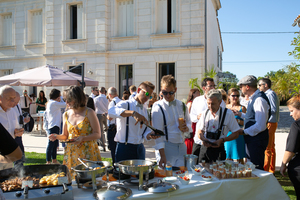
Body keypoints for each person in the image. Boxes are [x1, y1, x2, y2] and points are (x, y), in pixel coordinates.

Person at [49, 86, 101, 179]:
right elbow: (65, 136)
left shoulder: (89, 112)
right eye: (65, 100)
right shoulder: (66, 114)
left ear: (77, 99)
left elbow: (97, 134)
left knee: (89, 181)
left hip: (88, 153)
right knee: (73, 183)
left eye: (69, 100)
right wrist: (56, 136)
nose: (66, 103)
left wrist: (83, 138)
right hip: (71, 154)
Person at [108, 81, 159, 163]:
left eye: (150, 96)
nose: (147, 98)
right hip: (124, 148)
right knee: (124, 175)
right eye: (146, 94)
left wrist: (149, 135)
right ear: (138, 90)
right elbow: (111, 112)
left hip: (140, 148)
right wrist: (132, 113)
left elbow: (145, 130)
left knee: (140, 175)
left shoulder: (144, 110)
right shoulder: (125, 104)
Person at [152, 75, 192, 168]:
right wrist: (162, 155)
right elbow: (158, 135)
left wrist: (187, 128)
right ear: (161, 90)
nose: (168, 95)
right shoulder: (158, 107)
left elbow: (189, 123)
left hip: (182, 146)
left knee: (182, 175)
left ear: (175, 90)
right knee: (166, 177)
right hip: (166, 147)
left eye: (171, 92)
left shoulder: (181, 105)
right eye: (164, 92)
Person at [235, 75, 270, 170]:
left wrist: (243, 132)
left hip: (257, 140)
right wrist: (240, 114)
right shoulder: (255, 98)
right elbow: (254, 117)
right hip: (254, 139)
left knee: (256, 168)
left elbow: (260, 125)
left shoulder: (259, 99)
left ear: (247, 86)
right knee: (252, 166)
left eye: (241, 86)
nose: (240, 89)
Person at [197, 89, 242, 162]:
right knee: (202, 171)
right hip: (204, 149)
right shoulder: (205, 113)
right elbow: (199, 131)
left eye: (213, 104)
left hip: (219, 149)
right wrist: (203, 139)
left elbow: (236, 133)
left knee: (219, 172)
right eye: (208, 103)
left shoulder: (228, 114)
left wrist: (222, 140)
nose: (210, 106)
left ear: (220, 102)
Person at [190, 78, 226, 163]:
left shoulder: (221, 102)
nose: (213, 88)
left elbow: (223, 118)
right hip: (199, 140)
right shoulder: (197, 100)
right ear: (204, 88)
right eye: (210, 86)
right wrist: (197, 117)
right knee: (195, 165)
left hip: (214, 141)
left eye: (214, 86)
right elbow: (191, 116)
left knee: (213, 166)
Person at [280, 95, 300, 199]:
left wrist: (283, 164)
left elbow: (290, 149)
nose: (290, 114)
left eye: (292, 110)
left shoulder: (296, 125)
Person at [258, 78, 280, 173]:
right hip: (271, 122)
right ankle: (271, 169)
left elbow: (273, 109)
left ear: (265, 85)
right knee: (271, 147)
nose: (258, 87)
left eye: (260, 85)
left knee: (268, 147)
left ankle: (266, 170)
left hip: (270, 122)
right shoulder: (269, 94)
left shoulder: (270, 94)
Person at [0, 86, 24, 170]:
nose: (12, 101)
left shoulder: (13, 112)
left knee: (6, 179)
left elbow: (15, 130)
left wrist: (18, 132)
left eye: (13, 98)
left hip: (8, 154)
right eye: (9, 98)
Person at [225, 88, 246, 163]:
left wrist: (236, 121)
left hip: (238, 134)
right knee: (227, 157)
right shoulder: (225, 107)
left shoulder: (242, 108)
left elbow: (246, 122)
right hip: (227, 134)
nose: (235, 97)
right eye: (233, 95)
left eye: (237, 95)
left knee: (239, 157)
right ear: (228, 96)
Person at [45, 89, 66, 164]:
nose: (60, 97)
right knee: (51, 144)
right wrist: (62, 99)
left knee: (54, 144)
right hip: (54, 125)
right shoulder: (54, 103)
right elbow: (65, 105)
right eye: (59, 95)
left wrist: (60, 99)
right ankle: (48, 161)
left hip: (54, 125)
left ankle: (54, 160)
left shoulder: (51, 103)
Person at [107, 87, 122, 167]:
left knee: (113, 148)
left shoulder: (112, 102)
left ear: (110, 95)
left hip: (113, 127)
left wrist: (106, 115)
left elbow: (110, 116)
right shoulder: (122, 101)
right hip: (120, 127)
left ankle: (115, 166)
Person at [185, 88, 200, 154]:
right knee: (190, 138)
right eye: (197, 93)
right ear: (193, 94)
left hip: (195, 123)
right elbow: (187, 115)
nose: (199, 94)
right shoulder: (190, 103)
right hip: (192, 124)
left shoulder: (196, 102)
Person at [94, 86, 109, 151]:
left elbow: (94, 107)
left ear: (99, 91)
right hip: (107, 114)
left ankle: (103, 145)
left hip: (99, 114)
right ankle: (109, 144)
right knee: (107, 130)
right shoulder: (107, 98)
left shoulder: (96, 98)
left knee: (101, 131)